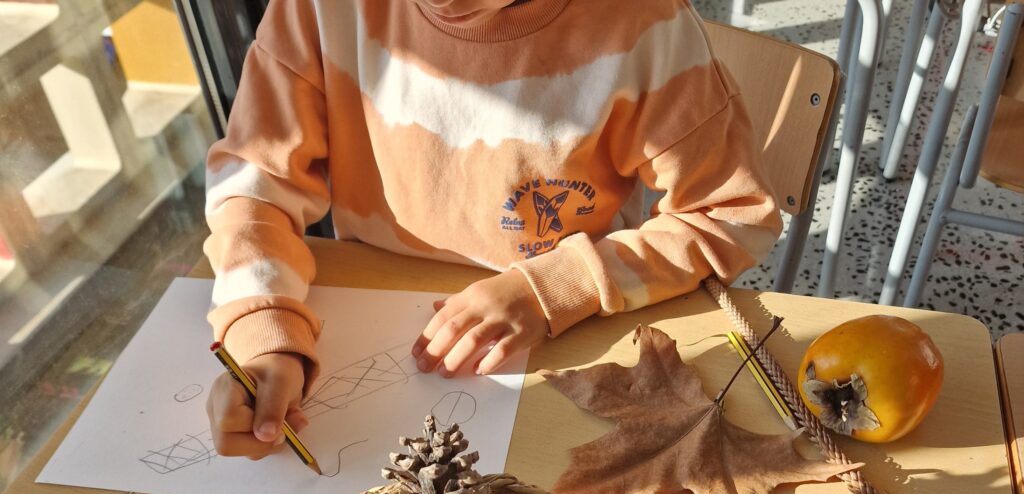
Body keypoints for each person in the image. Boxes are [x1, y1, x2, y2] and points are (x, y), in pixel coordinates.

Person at [204, 0, 782, 460]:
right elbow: (254, 186)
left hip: (576, 349)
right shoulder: (313, 10)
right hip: (374, 332)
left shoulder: (643, 23)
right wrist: (263, 330)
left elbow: (731, 215)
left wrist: (558, 285)